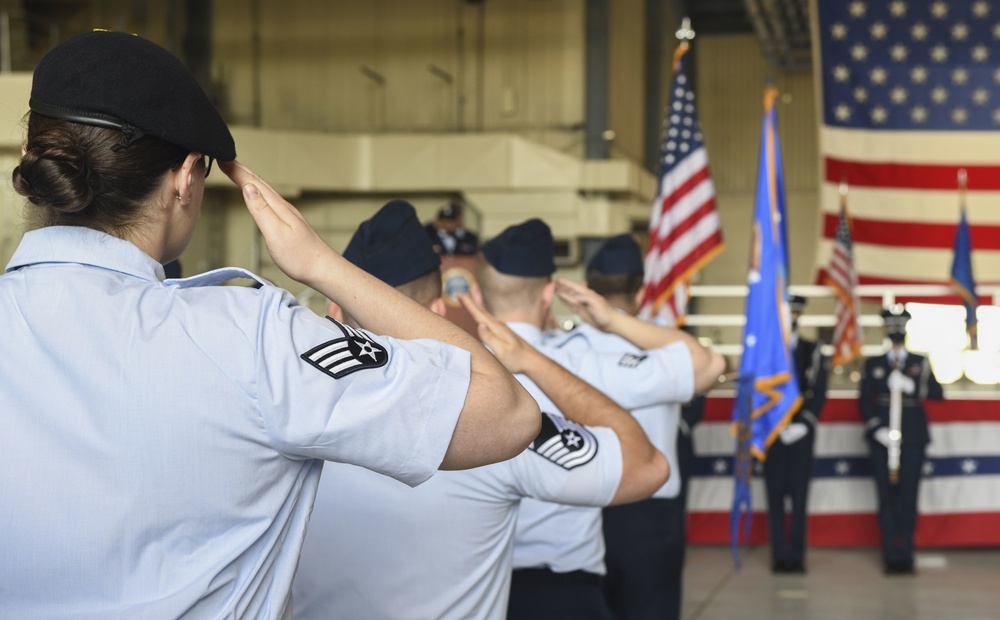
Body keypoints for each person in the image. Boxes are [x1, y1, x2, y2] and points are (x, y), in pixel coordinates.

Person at [0, 32, 540, 618]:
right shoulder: (247, 339)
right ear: (184, 179)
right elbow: (507, 413)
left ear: (36, 156)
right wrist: (321, 265)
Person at [293, 200, 668, 620]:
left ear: (334, 311)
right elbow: (646, 465)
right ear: (436, 313)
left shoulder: (285, 410)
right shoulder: (492, 423)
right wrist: (534, 361)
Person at [473, 220, 724, 620]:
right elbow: (708, 364)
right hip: (569, 577)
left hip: (479, 583)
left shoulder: (445, 366)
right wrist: (611, 321)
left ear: (474, 293)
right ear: (550, 294)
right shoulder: (578, 363)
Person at [545, 234, 726, 620]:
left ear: (589, 288)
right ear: (641, 291)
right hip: (650, 510)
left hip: (584, 504)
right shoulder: (667, 345)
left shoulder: (561, 348)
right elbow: (707, 375)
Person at [859, 306, 943, 575]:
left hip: (913, 436)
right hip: (883, 436)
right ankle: (889, 554)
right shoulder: (874, 363)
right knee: (885, 497)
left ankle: (905, 553)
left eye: (899, 327)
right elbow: (863, 401)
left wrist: (912, 386)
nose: (896, 332)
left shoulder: (920, 361)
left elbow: (938, 393)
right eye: (891, 327)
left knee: (908, 496)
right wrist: (876, 428)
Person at [764, 295, 829, 574]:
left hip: (801, 432)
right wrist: (772, 423)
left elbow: (819, 388)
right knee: (775, 495)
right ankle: (779, 554)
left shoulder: (812, 349)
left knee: (800, 497)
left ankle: (797, 555)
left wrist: (804, 422)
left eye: (794, 312)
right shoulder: (766, 350)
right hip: (773, 433)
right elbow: (758, 390)